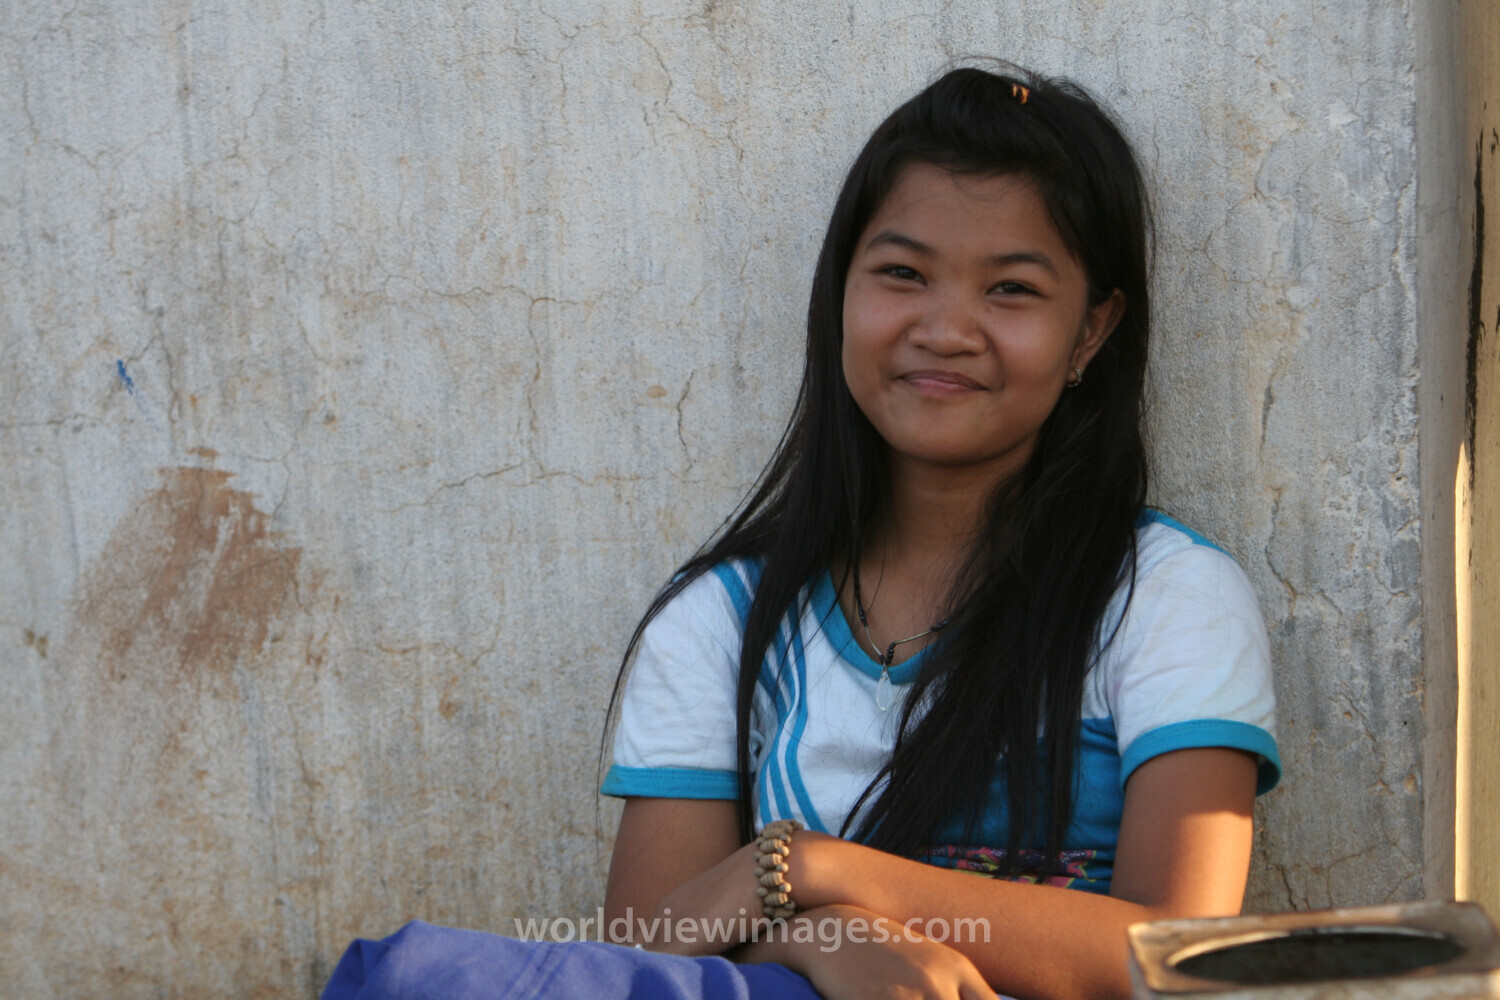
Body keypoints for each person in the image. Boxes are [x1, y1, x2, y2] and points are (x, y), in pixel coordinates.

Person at [321, 63, 1278, 1000]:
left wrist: (819, 873)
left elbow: (1181, 960)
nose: (946, 329)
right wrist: (817, 944)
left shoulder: (1164, 597)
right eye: (903, 274)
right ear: (840, 295)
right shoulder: (723, 621)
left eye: (1012, 290)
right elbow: (644, 964)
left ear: (1092, 332)